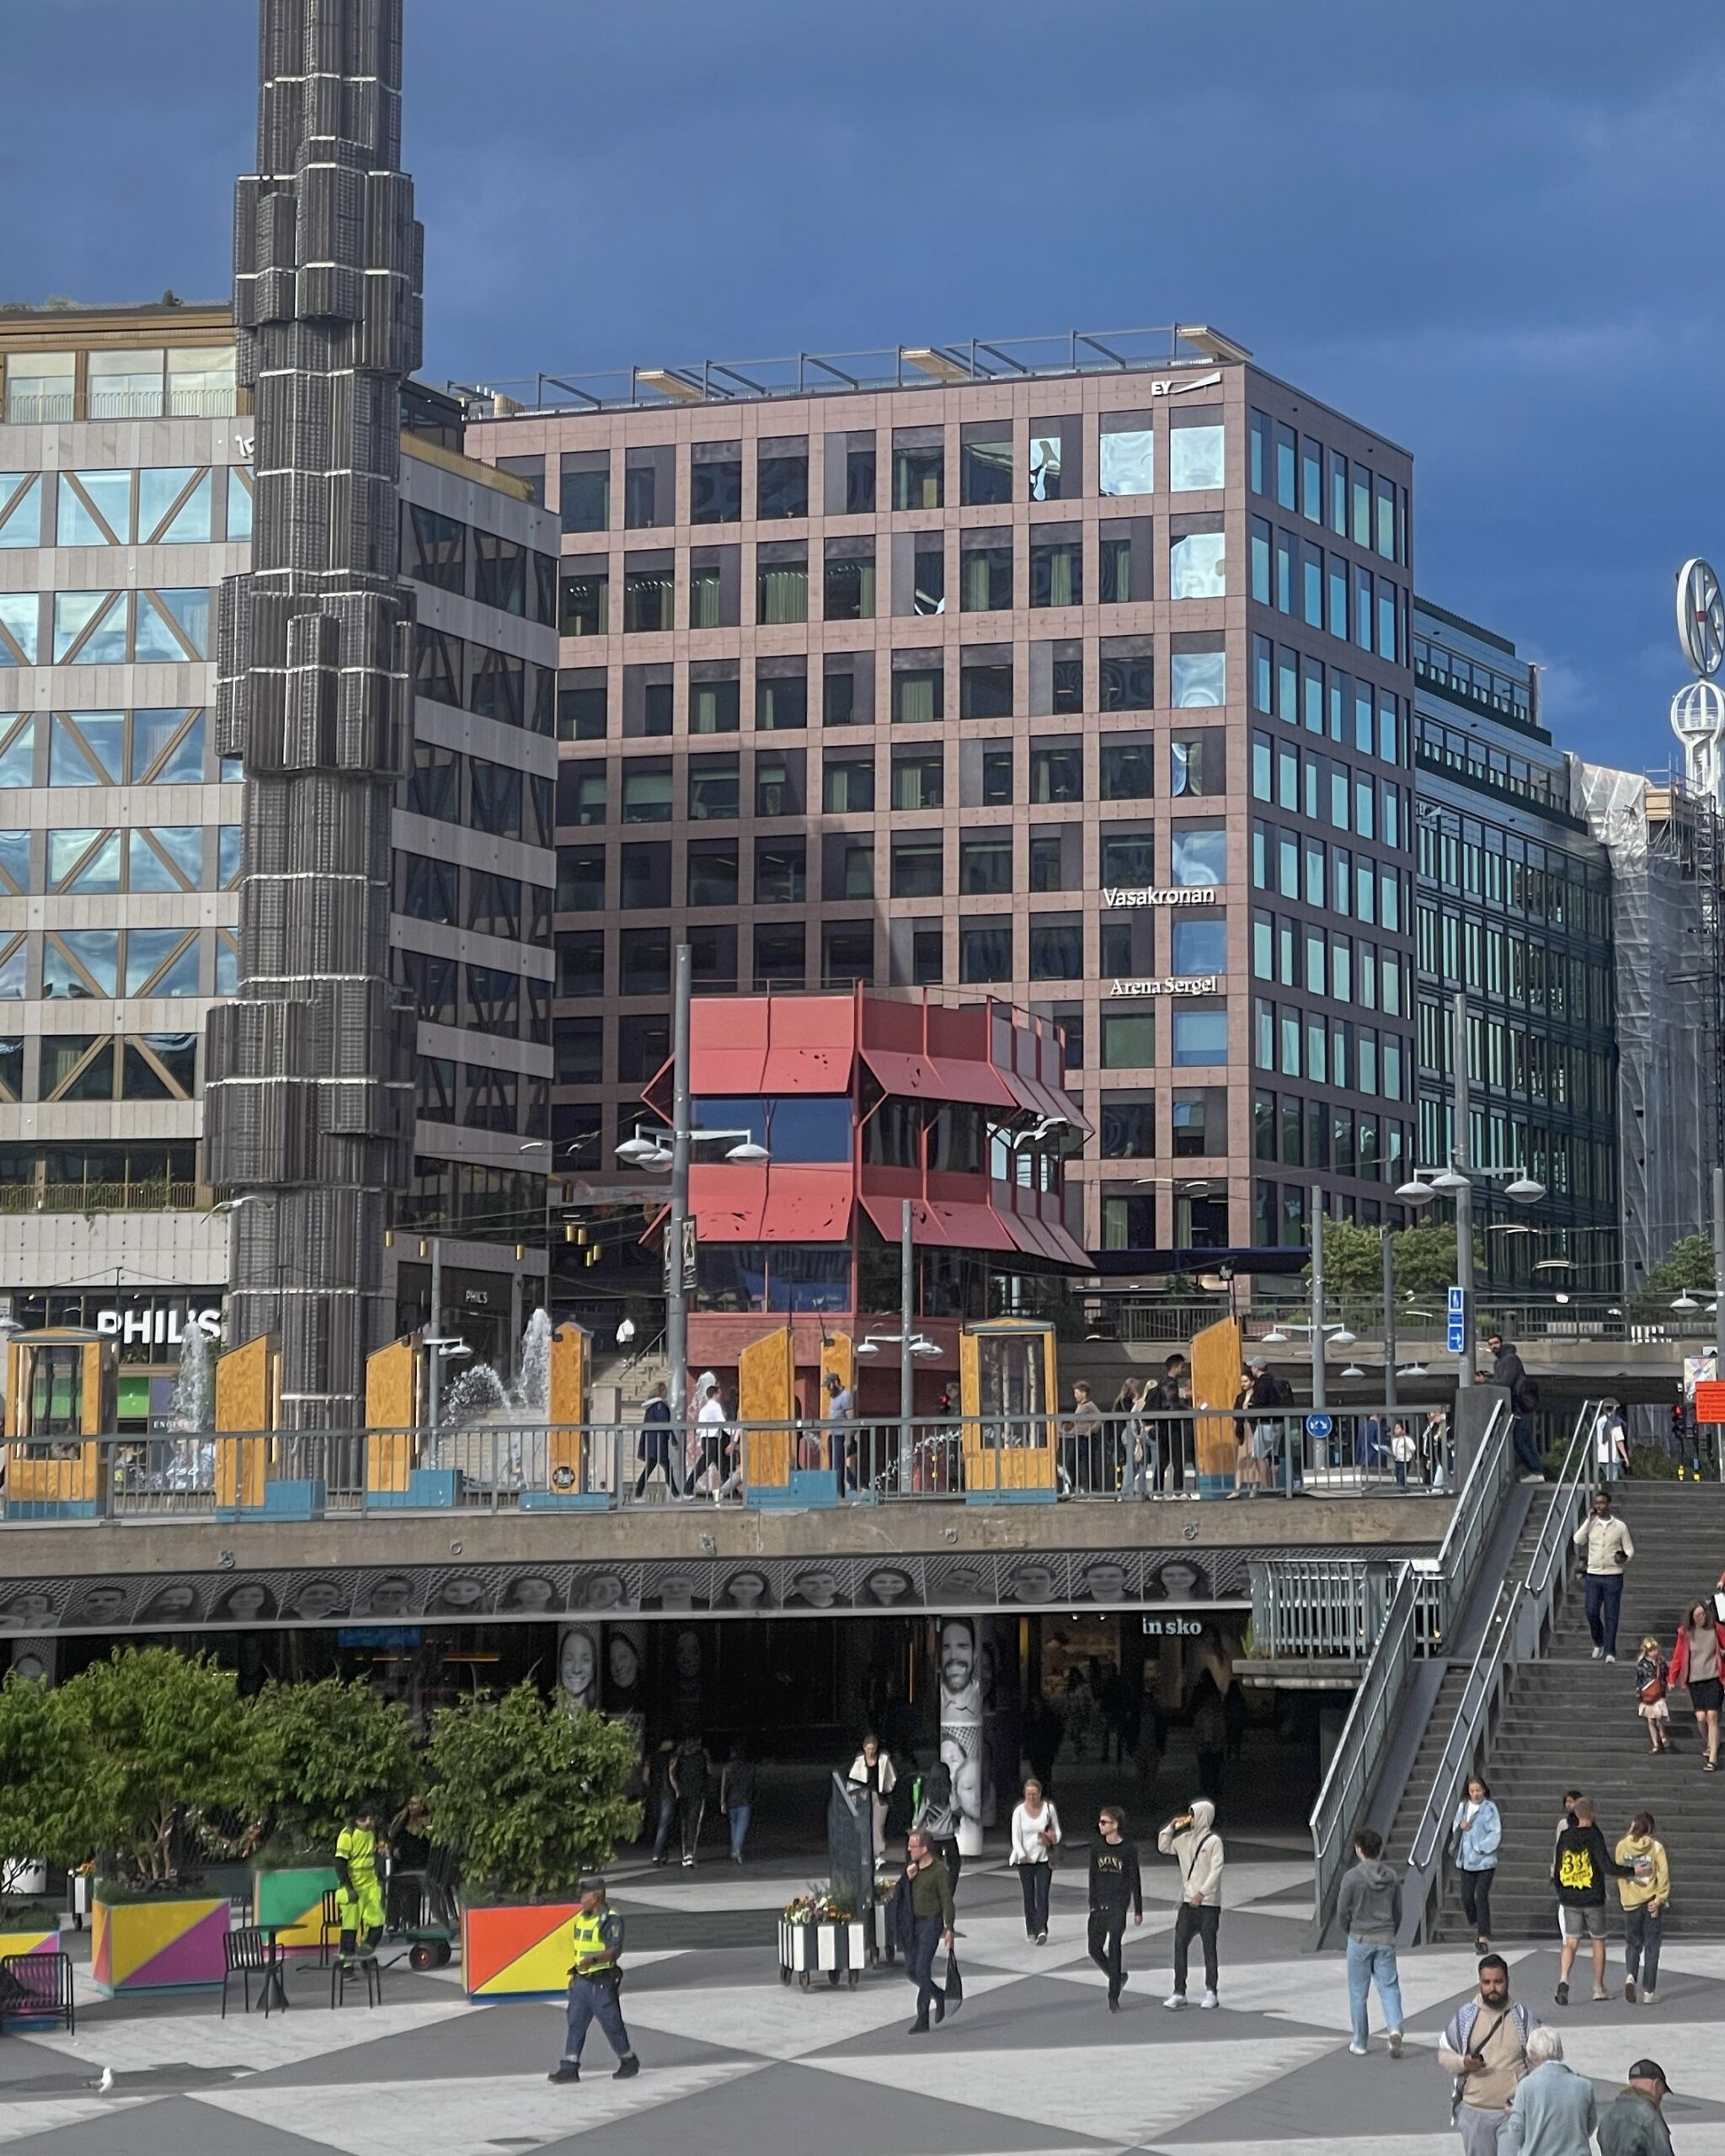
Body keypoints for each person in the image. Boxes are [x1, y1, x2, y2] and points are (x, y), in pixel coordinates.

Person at [1438, 1955, 1539, 2156]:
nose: (1492, 1988)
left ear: (1507, 1981)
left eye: (1498, 1982)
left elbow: (1542, 2059)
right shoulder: (1466, 2017)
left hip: (1513, 2112)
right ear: (1480, 1983)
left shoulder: (1523, 2018)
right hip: (1475, 2111)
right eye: (1487, 1982)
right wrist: (1463, 2062)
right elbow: (1444, 2054)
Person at [547, 1875, 639, 2084]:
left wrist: (594, 1960)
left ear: (595, 1897)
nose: (581, 1900)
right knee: (575, 2022)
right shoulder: (582, 1918)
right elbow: (579, 1950)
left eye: (584, 1896)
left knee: (611, 2023)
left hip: (601, 1982)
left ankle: (628, 2059)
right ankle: (569, 2067)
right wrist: (576, 1975)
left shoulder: (610, 1919)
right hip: (582, 1981)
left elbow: (614, 1950)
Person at [1553, 1796, 1630, 2005]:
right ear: (1592, 1814)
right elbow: (1606, 1865)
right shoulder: (1595, 1836)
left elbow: (1559, 1866)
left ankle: (1564, 1978)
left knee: (1571, 1941)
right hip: (1593, 1897)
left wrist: (1561, 1890)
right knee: (1598, 1940)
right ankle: (1598, 1987)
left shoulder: (1565, 1836)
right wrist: (1632, 1871)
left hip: (1569, 1897)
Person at [1338, 1826, 1404, 2057]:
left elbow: (1342, 1911)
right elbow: (1398, 1911)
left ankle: (1360, 2041)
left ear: (1359, 1850)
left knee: (1358, 1992)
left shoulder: (1352, 1878)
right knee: (1389, 1987)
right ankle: (1395, 2028)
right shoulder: (1392, 1876)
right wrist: (1392, 1929)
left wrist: (1349, 1930)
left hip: (1359, 1938)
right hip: (1385, 1936)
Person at [1158, 1796, 1223, 2009]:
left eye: (1194, 1814)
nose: (1191, 1818)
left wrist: (1202, 1893)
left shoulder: (1214, 1842)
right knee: (1179, 1946)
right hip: (1187, 1903)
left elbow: (1216, 1870)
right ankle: (1179, 1991)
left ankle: (1211, 1991)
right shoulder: (1184, 1839)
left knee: (1209, 1948)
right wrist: (1171, 1827)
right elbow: (1163, 1846)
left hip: (1209, 1904)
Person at [891, 1828, 956, 2035]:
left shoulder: (938, 1871)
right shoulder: (912, 1868)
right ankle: (940, 1995)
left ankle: (922, 2019)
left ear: (925, 1848)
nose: (909, 1850)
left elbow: (947, 1900)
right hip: (912, 1924)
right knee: (911, 1970)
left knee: (922, 1970)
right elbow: (899, 1893)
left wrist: (949, 1929)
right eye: (909, 1845)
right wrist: (907, 1878)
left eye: (913, 1846)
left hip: (931, 1924)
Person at [1505, 2026, 1596, 2155]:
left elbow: (1516, 2135)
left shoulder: (1526, 2086)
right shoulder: (1584, 2086)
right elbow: (1589, 2128)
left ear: (1533, 2054)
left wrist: (1514, 2112)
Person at [1087, 1803, 1142, 2010]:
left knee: (1115, 1945)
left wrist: (1138, 1909)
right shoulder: (1097, 1847)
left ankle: (1113, 1996)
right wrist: (1092, 1902)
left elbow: (1135, 1879)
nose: (1100, 1825)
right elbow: (1092, 1875)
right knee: (1093, 1948)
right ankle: (1117, 1976)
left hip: (1119, 1904)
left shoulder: (1128, 1849)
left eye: (1104, 1822)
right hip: (1099, 1904)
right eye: (1100, 1821)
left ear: (1116, 1824)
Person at [1573, 1487, 1635, 1662]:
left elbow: (1629, 1549)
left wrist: (1624, 1558)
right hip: (1593, 1574)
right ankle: (1598, 1641)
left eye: (1602, 1503)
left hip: (1613, 1575)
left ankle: (1610, 1651)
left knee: (1611, 1614)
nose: (1599, 1506)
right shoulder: (1591, 1524)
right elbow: (1578, 1540)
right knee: (1591, 1611)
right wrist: (1588, 1520)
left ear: (1608, 1505)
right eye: (1596, 1504)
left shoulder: (1620, 1526)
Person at [1615, 1812, 1669, 2006]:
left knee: (1633, 1944)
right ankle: (1649, 1991)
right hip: (1651, 1902)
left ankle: (1631, 1975)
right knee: (1652, 1946)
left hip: (1631, 1903)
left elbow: (1620, 1873)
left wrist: (1625, 1898)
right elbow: (1663, 1875)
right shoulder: (1656, 1847)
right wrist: (1660, 1898)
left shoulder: (1622, 1846)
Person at [1670, 1596, 1725, 1770]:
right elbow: (1678, 1656)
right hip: (1696, 1679)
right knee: (1701, 1717)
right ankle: (1710, 1742)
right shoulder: (1685, 1633)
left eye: (1702, 1614)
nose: (1701, 1618)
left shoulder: (1716, 1629)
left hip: (1714, 1678)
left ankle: (1713, 1759)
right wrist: (1672, 1678)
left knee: (1712, 1716)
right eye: (1697, 1616)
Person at [1451, 1774, 1503, 1952]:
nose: (1476, 1794)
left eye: (1478, 1790)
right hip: (1467, 1860)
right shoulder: (1463, 1807)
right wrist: (1460, 1826)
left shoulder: (1490, 1808)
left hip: (1485, 1861)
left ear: (1484, 1790)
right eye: (1473, 1791)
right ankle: (1475, 1920)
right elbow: (1455, 1825)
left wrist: (1482, 1848)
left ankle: (1483, 1936)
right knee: (1467, 1896)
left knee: (1481, 1895)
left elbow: (1495, 1832)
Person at [1484, 1331, 1544, 1479]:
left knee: (1520, 1441)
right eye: (1491, 1345)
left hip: (1520, 1407)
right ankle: (1537, 1472)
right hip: (1517, 1406)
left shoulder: (1510, 1359)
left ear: (1502, 1343)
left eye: (1496, 1343)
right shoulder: (1499, 1362)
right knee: (1524, 1441)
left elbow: (1505, 1383)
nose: (1494, 1347)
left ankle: (1536, 1471)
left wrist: (1485, 1381)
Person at [334, 1801, 386, 1969]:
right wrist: (348, 1888)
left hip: (370, 1886)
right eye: (374, 1819)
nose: (376, 1822)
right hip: (353, 1888)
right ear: (368, 1818)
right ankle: (346, 1966)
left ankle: (363, 1955)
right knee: (349, 1929)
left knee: (377, 1924)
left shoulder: (371, 1833)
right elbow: (340, 1864)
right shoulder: (347, 1835)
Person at [1008, 1777, 1061, 1942]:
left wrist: (1053, 1837)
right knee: (1029, 1894)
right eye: (1028, 1794)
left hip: (1044, 1858)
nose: (1031, 1797)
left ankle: (1042, 1929)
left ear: (1040, 1794)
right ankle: (1031, 1927)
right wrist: (1021, 1854)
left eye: (1034, 1794)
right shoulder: (1019, 1812)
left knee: (1043, 1894)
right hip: (1025, 1860)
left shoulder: (1048, 1809)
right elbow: (1015, 1837)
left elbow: (1057, 1833)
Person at [1598, 2059, 1676, 2156]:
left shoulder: (1608, 2115)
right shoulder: (1650, 2117)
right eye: (1662, 2092)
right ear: (1657, 2085)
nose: (1661, 2098)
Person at [912, 1757, 962, 1897]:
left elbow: (920, 1817)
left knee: (934, 1867)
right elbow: (956, 1809)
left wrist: (916, 1830)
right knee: (954, 1866)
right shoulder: (950, 1793)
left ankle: (935, 1895)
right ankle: (948, 1894)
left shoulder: (928, 1795)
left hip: (931, 1837)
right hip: (948, 1836)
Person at [847, 1733, 898, 1864]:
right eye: (868, 1749)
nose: (871, 1752)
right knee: (864, 1826)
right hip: (863, 1796)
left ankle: (878, 1854)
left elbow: (891, 1778)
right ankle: (864, 1854)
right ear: (864, 1748)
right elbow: (852, 1780)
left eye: (873, 1749)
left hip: (879, 1796)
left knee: (878, 1826)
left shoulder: (883, 1760)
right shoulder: (859, 1762)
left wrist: (887, 1790)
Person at [632, 1381, 681, 1499]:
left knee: (651, 1469)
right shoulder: (660, 1406)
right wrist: (673, 1440)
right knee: (666, 1469)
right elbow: (665, 1424)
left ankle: (638, 1494)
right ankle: (677, 1495)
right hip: (659, 1443)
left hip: (651, 1443)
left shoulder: (651, 1407)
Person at [1155, 1353, 1194, 1496]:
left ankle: (1157, 1491)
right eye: (1182, 1367)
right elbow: (1173, 1405)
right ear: (1176, 1367)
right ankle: (1178, 1490)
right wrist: (1190, 1410)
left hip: (1164, 1425)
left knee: (1163, 1459)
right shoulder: (1170, 1384)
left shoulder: (1162, 1382)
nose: (1184, 1370)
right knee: (1177, 1458)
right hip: (1171, 1425)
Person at [670, 1733, 710, 1867]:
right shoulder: (701, 1758)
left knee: (685, 1823)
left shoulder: (681, 1759)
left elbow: (673, 1774)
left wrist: (677, 1790)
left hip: (684, 1794)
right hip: (697, 1794)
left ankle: (685, 1853)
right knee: (694, 1823)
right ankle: (690, 1853)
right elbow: (707, 1774)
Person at [1060, 1381, 1105, 1497]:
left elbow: (1100, 1418)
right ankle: (1077, 1486)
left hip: (1086, 1438)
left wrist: (1091, 1430)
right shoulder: (1079, 1405)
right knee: (1071, 1462)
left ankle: (1090, 1489)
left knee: (1087, 1464)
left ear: (1083, 1393)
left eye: (1077, 1393)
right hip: (1077, 1437)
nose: (1075, 1395)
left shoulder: (1089, 1405)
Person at [1633, 1637, 1673, 1756]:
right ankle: (1655, 1743)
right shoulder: (1642, 1664)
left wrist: (1669, 1683)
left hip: (1659, 1693)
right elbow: (1638, 1680)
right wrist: (1639, 1695)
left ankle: (1662, 1734)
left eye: (1656, 1650)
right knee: (1650, 1719)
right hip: (1647, 1695)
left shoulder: (1661, 1662)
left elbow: (1666, 1673)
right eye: (1651, 1650)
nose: (1654, 1653)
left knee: (1659, 1717)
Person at [720, 1742, 756, 1865]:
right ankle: (736, 1850)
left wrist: (723, 1801)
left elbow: (725, 1786)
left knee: (734, 1826)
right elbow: (752, 1785)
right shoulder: (750, 1767)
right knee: (741, 1827)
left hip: (731, 1800)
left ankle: (734, 1849)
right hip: (745, 1800)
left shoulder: (728, 1767)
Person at [822, 1370, 854, 1497]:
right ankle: (854, 1485)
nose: (828, 1389)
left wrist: (848, 1438)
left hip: (841, 1435)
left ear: (836, 1383)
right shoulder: (834, 1397)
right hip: (832, 1434)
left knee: (839, 1466)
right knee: (834, 1465)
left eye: (829, 1385)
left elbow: (850, 1418)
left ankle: (841, 1493)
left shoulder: (845, 1397)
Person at [646, 1737, 676, 1865]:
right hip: (667, 1793)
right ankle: (658, 1854)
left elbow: (645, 1777)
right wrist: (677, 1790)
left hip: (654, 1793)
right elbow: (671, 1775)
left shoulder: (650, 1758)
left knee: (659, 1823)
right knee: (664, 1826)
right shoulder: (670, 1757)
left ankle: (663, 1854)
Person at [1594, 1405, 1631, 1483]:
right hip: (1612, 1457)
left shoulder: (1599, 1421)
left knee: (1608, 1478)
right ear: (1614, 1408)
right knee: (1613, 1482)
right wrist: (1625, 1457)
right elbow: (1619, 1441)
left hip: (1601, 1455)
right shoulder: (1615, 1421)